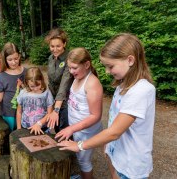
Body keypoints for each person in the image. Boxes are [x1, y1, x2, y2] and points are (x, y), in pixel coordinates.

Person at [57, 33, 156, 179]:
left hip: (131, 165)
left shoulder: (141, 90)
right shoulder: (122, 86)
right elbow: (114, 122)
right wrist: (109, 147)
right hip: (116, 154)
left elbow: (114, 132)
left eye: (110, 66)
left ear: (130, 60)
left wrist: (79, 145)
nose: (107, 71)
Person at [55, 47, 103, 179]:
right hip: (77, 128)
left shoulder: (92, 83)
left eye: (74, 68)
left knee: (84, 161)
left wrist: (71, 128)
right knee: (80, 157)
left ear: (87, 65)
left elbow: (95, 115)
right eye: (69, 68)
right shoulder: (78, 77)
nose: (71, 71)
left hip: (86, 131)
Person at [44, 28, 74, 132]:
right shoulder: (50, 58)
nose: (55, 49)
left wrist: (56, 109)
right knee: (56, 129)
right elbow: (50, 81)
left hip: (66, 101)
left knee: (65, 130)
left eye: (58, 46)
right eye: (52, 46)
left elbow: (64, 84)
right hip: (54, 100)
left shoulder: (69, 59)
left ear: (64, 44)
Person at [16, 67, 54, 135]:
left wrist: (39, 124)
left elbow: (49, 113)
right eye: (32, 86)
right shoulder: (23, 93)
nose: (35, 89)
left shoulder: (47, 93)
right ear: (27, 82)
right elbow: (19, 112)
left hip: (42, 128)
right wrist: (19, 129)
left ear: (41, 80)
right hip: (25, 128)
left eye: (38, 85)